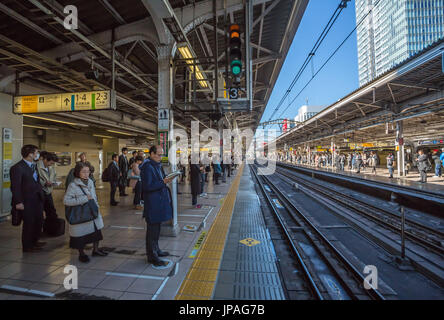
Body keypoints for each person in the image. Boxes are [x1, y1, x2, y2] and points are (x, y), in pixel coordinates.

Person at [64, 162, 106, 263]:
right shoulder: (73, 185)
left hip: (92, 212)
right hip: (81, 215)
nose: (86, 174)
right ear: (78, 173)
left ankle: (95, 250)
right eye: (83, 172)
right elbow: (66, 201)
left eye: (88, 171)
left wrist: (96, 206)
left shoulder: (90, 182)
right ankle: (81, 254)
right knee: (81, 237)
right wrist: (83, 199)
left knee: (96, 233)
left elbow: (94, 196)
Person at [140, 145, 173, 267]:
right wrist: (163, 182)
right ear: (152, 154)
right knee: (152, 231)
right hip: (153, 203)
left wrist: (166, 179)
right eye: (159, 155)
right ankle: (152, 256)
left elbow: (159, 180)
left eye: (162, 154)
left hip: (158, 202)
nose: (161, 157)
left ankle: (157, 250)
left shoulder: (157, 165)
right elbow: (147, 187)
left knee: (157, 229)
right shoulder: (147, 167)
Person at [10, 145, 45, 253]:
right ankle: (27, 246)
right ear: (30, 154)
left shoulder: (33, 166)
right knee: (29, 223)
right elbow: (15, 186)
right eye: (36, 152)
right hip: (26, 200)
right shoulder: (17, 168)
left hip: (37, 198)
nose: (37, 155)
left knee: (38, 221)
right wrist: (18, 202)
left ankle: (35, 241)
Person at [37, 152, 59, 221]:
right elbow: (34, 180)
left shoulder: (51, 167)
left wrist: (54, 182)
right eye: (51, 163)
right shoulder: (36, 166)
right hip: (39, 192)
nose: (51, 165)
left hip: (48, 192)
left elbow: (54, 177)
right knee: (39, 212)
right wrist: (44, 183)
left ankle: (50, 228)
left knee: (52, 211)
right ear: (45, 160)